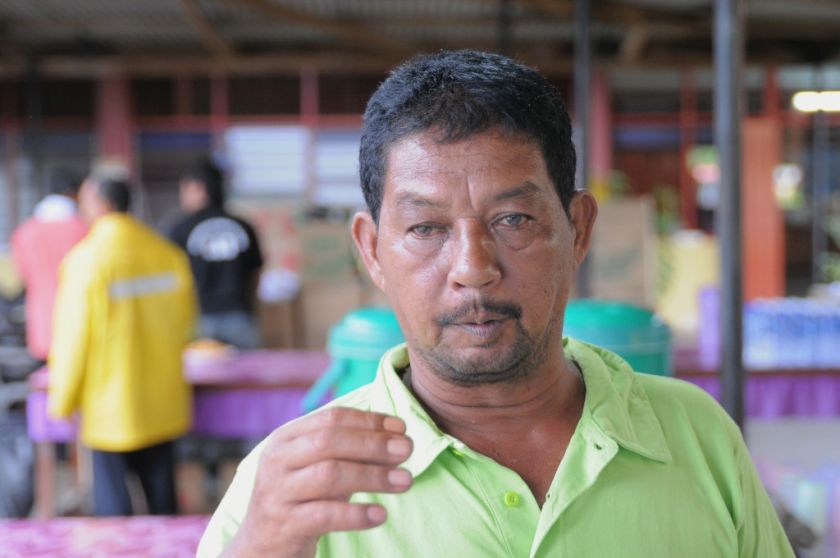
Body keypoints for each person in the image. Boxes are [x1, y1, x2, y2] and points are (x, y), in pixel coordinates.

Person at [198, 50, 794, 557]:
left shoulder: (696, 437)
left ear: (579, 229)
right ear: (371, 251)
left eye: (514, 219)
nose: (472, 268)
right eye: (426, 228)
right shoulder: (296, 488)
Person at [49, 176, 196, 516]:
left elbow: (73, 338)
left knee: (114, 511)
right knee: (163, 503)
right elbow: (186, 323)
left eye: (85, 202)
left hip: (110, 403)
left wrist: (62, 400)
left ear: (102, 204)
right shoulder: (166, 253)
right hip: (163, 398)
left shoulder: (86, 260)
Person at [167, 157, 263, 349]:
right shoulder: (244, 226)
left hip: (198, 320)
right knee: (247, 377)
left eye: (185, 189)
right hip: (240, 317)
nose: (182, 196)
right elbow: (257, 273)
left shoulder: (180, 229)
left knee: (203, 378)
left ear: (199, 188)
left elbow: (172, 279)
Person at [10, 169, 88, 361]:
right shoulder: (84, 230)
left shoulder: (24, 232)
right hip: (79, 326)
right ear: (75, 194)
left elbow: (18, 279)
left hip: (40, 327)